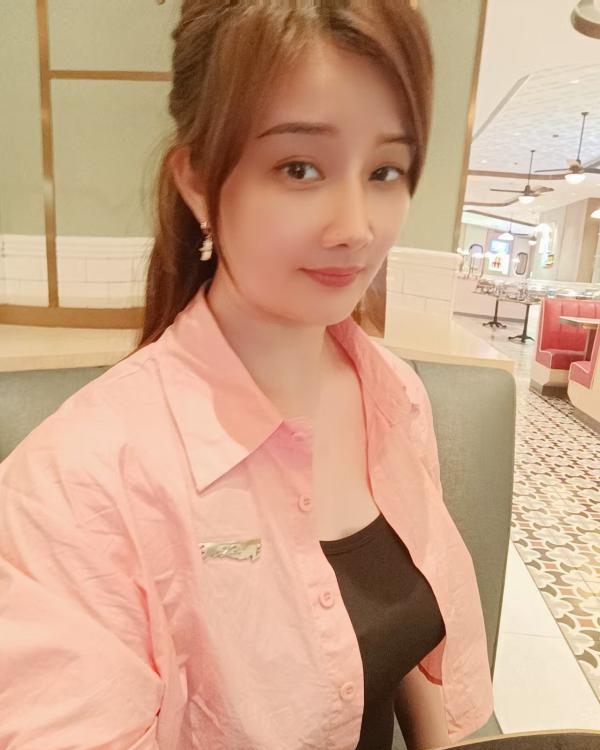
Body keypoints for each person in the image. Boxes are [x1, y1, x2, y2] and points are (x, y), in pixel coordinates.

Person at [0, 1, 493, 748]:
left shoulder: (394, 395)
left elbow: (414, 654)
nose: (356, 227)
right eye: (300, 168)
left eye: (385, 170)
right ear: (198, 182)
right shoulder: (77, 487)